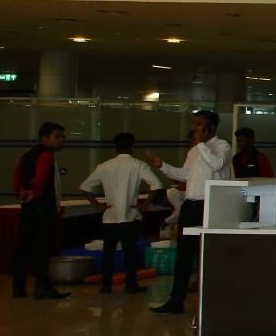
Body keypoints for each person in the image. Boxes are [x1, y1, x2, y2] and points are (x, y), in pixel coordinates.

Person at [146, 109, 232, 315]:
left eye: (199, 124)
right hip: (190, 205)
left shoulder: (223, 146)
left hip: (210, 206)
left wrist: (201, 143)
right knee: (183, 255)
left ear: (211, 127)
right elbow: (184, 174)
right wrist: (162, 166)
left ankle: (213, 301)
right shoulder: (194, 151)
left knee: (209, 255)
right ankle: (176, 300)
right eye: (194, 123)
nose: (194, 128)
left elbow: (217, 164)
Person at [78, 132, 155, 295]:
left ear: (115, 148)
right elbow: (157, 185)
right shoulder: (139, 165)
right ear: (132, 146)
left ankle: (106, 286)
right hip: (131, 214)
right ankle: (131, 284)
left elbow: (85, 187)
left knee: (108, 252)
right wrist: (145, 204)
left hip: (110, 215)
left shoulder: (104, 166)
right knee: (130, 251)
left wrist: (97, 206)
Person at [10, 122, 68, 300]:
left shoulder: (27, 155)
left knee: (23, 247)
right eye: (57, 136)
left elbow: (16, 177)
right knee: (43, 248)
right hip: (43, 207)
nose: (61, 141)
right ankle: (42, 286)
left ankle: (18, 288)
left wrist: (22, 192)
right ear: (45, 138)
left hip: (28, 207)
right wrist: (34, 191)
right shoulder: (46, 155)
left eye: (62, 137)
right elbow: (41, 178)